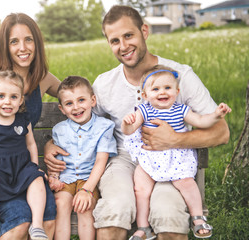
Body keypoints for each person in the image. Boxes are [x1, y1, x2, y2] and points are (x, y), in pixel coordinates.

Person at [44, 5, 230, 240]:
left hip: (170, 162)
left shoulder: (179, 76)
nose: (123, 46)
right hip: (123, 160)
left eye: (128, 35)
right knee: (113, 211)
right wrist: (51, 143)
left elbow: (222, 132)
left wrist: (175, 139)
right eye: (114, 41)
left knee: (168, 217)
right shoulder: (104, 84)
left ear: (144, 30)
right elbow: (83, 125)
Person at [0, 13, 61, 240]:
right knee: (19, 222)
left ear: (37, 42)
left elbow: (75, 97)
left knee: (47, 219)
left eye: (28, 39)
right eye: (14, 41)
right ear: (5, 46)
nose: (22, 47)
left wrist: (52, 142)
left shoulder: (42, 78)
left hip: (21, 168)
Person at [121, 65, 231, 239]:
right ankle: (143, 227)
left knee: (187, 183)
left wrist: (216, 115)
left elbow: (201, 121)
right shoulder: (144, 110)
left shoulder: (181, 110)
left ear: (177, 91)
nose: (162, 92)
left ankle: (198, 218)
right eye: (155, 89)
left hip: (176, 156)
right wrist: (127, 123)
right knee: (140, 188)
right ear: (145, 95)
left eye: (167, 88)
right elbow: (129, 130)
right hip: (150, 158)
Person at [0, 70, 50, 240]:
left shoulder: (23, 121)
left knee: (37, 179)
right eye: (1, 96)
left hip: (22, 167)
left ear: (21, 100)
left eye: (14, 97)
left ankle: (37, 226)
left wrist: (33, 166)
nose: (7, 102)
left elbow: (30, 144)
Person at [48, 76, 117, 239]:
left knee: (84, 206)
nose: (76, 107)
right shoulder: (59, 130)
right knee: (60, 203)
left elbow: (101, 160)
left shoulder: (104, 127)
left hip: (89, 179)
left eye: (81, 100)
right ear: (62, 109)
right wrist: (54, 177)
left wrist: (87, 189)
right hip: (67, 178)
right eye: (69, 103)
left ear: (92, 100)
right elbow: (56, 159)